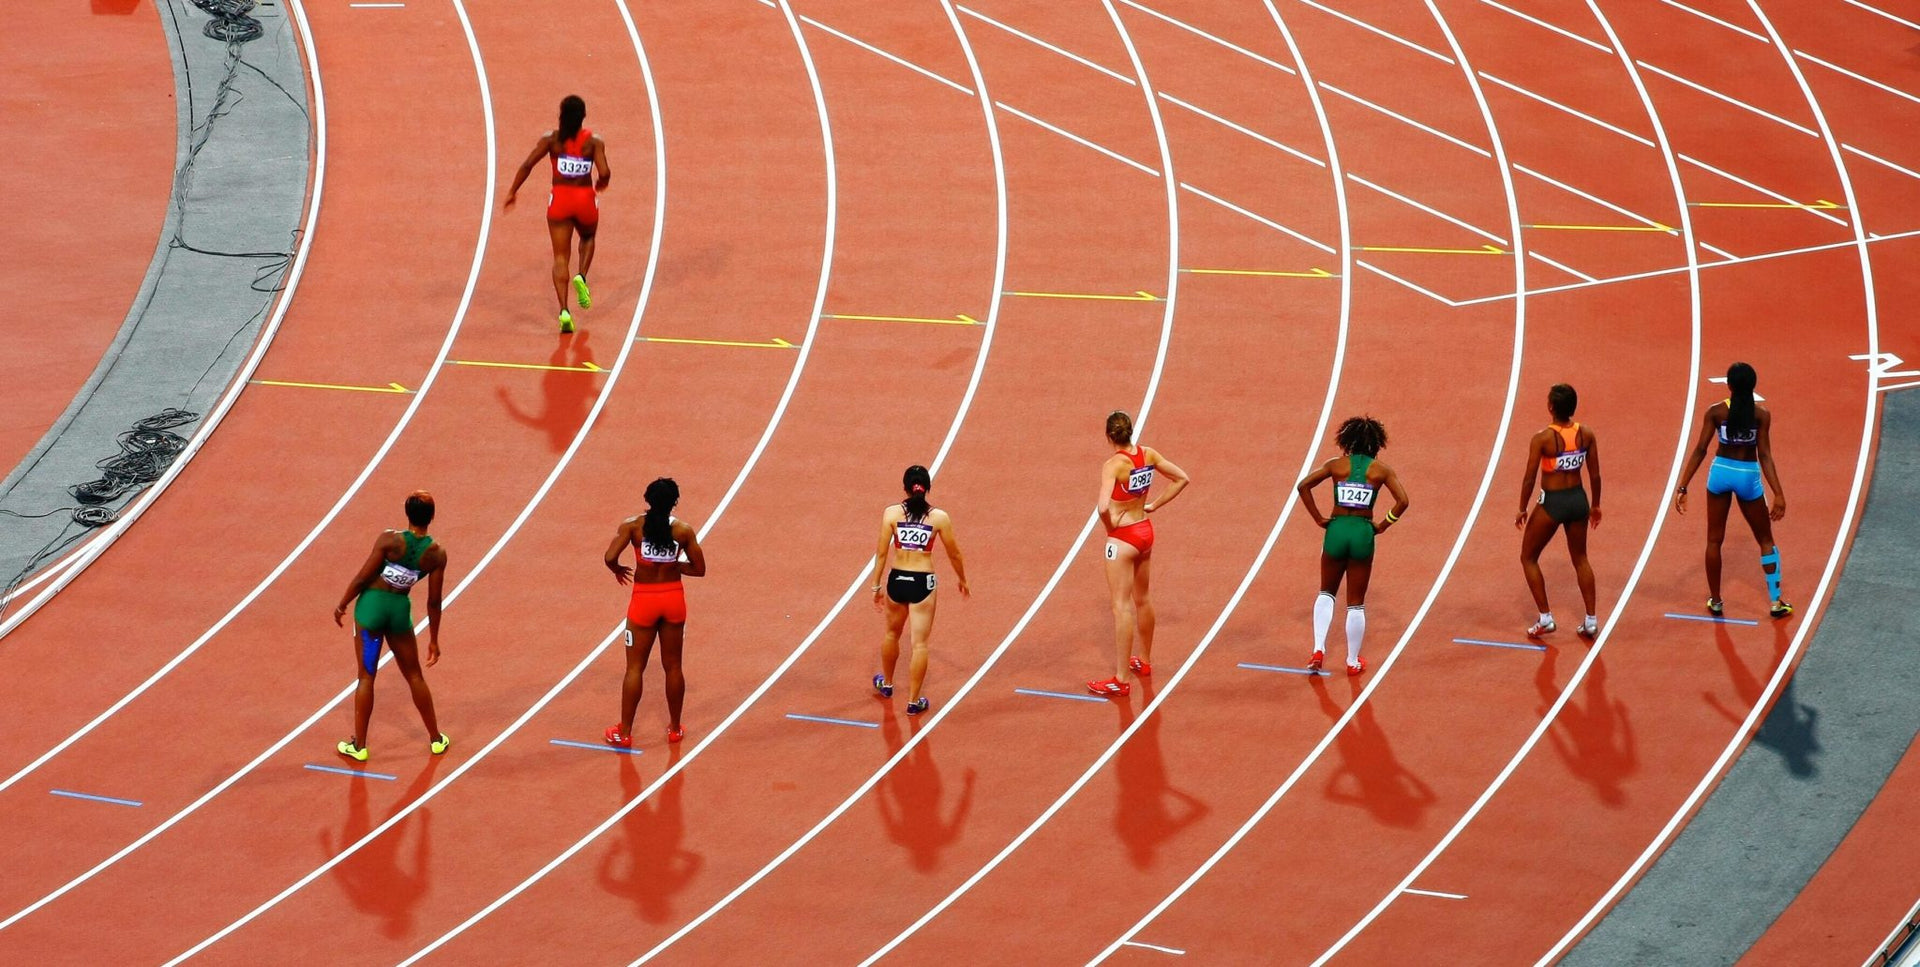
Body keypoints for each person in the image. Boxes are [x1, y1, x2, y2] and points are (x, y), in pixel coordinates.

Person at [332, 492, 450, 761]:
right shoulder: (436, 554)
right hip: (399, 614)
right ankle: (435, 739)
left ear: (407, 514)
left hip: (371, 611)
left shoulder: (390, 539)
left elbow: (363, 577)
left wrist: (342, 603)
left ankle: (359, 747)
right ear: (432, 517)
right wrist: (434, 639)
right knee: (415, 676)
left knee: (366, 676)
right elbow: (434, 602)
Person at [1672, 362, 1792, 618]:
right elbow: (1766, 456)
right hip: (1747, 475)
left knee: (1714, 540)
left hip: (1720, 474)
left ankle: (1715, 601)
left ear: (1729, 386)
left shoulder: (1715, 412)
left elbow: (1700, 449)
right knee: (1765, 540)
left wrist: (1683, 485)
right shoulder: (1761, 415)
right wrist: (1778, 493)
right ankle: (1775, 602)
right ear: (1753, 386)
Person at [1295, 416, 1410, 676]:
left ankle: (1317, 650)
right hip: (1362, 532)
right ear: (1376, 444)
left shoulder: (1336, 465)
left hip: (1335, 530)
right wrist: (1383, 524)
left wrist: (1318, 518)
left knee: (1326, 592)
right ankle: (1352, 661)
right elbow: (1403, 501)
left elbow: (1303, 486)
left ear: (1346, 441)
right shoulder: (1381, 470)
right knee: (1355, 603)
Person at [1090, 411, 1190, 697]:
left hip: (1123, 537)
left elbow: (1102, 508)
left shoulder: (1112, 465)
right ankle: (1144, 662)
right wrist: (1155, 505)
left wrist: (1112, 529)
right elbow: (1182, 478)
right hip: (1145, 531)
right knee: (1143, 599)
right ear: (1131, 432)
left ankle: (1121, 679)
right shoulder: (1148, 454)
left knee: (1121, 606)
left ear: (1109, 437)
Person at [604, 478, 706, 746]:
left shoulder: (633, 526)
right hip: (673, 599)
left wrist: (618, 570)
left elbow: (609, 557)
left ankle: (624, 733)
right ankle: (674, 729)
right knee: (673, 666)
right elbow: (699, 569)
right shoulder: (684, 531)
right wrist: (674, 566)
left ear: (647, 499)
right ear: (675, 502)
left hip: (643, 602)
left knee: (634, 668)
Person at [504, 95, 611, 333]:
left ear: (560, 116)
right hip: (584, 198)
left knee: (560, 258)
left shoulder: (551, 140)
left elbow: (527, 165)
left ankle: (564, 311)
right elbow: (604, 171)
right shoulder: (594, 142)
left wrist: (513, 191)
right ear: (583, 116)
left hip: (560, 201)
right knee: (588, 237)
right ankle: (582, 275)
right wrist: (602, 182)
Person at [870, 465, 969, 715]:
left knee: (892, 634)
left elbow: (882, 552)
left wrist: (876, 585)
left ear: (905, 487)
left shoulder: (891, 513)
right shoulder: (939, 518)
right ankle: (914, 702)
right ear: (927, 488)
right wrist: (962, 579)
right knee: (920, 644)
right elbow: (954, 553)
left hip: (897, 579)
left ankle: (888, 685)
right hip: (922, 582)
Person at [1516, 384, 1602, 638]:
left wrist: (1522, 507)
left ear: (1550, 407)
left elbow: (1529, 478)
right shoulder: (1586, 434)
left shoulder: (1542, 439)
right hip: (1578, 500)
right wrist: (1596, 505)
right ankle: (1591, 621)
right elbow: (1595, 475)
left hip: (1553, 502)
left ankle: (1545, 618)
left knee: (1528, 557)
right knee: (1581, 558)